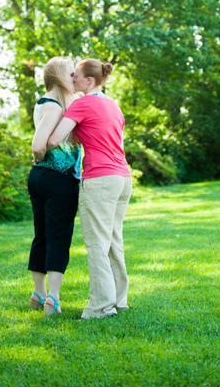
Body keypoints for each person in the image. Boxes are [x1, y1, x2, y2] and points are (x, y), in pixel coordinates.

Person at [46, 59, 131, 320]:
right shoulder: (113, 104)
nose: (72, 80)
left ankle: (100, 307)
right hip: (122, 178)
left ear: (89, 81)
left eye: (76, 76)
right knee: (114, 241)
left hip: (100, 179)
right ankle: (119, 300)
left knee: (96, 243)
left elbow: (52, 139)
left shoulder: (82, 103)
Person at [28, 57, 82, 316]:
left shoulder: (43, 103)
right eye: (72, 74)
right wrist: (39, 154)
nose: (76, 79)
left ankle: (38, 292)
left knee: (42, 234)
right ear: (61, 76)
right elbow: (39, 144)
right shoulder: (54, 106)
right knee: (58, 236)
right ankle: (53, 297)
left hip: (39, 178)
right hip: (57, 180)